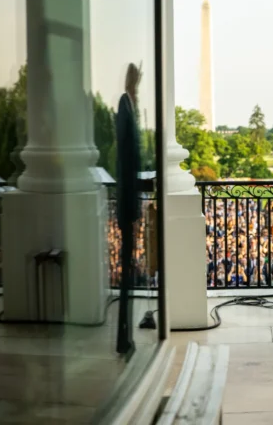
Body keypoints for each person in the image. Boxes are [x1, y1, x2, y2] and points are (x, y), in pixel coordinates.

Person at [115, 62, 142, 356]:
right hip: (125, 201)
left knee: (129, 271)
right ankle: (123, 337)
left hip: (128, 201)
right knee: (126, 271)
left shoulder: (128, 106)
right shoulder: (125, 106)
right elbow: (126, 156)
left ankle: (126, 334)